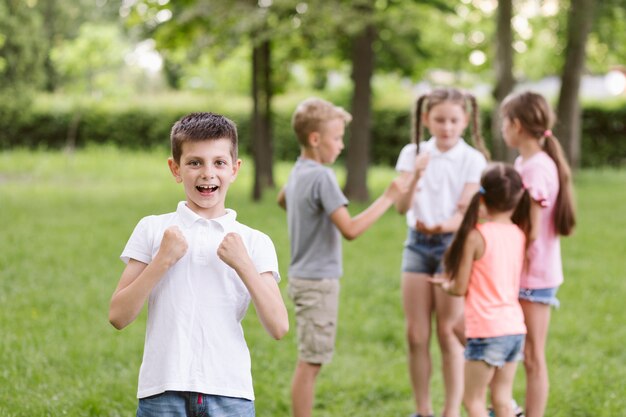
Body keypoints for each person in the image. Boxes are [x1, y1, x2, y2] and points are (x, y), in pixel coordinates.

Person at [109, 112, 289, 417]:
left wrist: (243, 264)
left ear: (235, 169)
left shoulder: (254, 242)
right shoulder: (153, 230)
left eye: (219, 162)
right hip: (162, 391)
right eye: (195, 163)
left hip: (230, 393)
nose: (207, 173)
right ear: (175, 168)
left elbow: (279, 326)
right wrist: (162, 260)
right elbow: (118, 316)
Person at [277, 97, 407, 417]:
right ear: (315, 139)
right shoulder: (322, 177)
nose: (342, 144)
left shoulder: (299, 170)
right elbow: (350, 229)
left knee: (311, 358)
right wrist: (388, 197)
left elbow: (283, 199)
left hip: (302, 277)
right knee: (311, 362)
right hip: (318, 281)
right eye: (337, 138)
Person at [395, 87, 490, 417]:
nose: (446, 127)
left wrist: (439, 227)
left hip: (453, 247)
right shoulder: (412, 153)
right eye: (439, 120)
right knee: (416, 334)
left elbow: (464, 214)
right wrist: (418, 172)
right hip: (417, 246)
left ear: (465, 120)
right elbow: (401, 206)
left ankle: (451, 411)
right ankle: (423, 411)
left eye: (453, 120)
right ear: (426, 120)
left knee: (449, 332)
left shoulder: (472, 159)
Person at [431, 163, 531, 417]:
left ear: (483, 196)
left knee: (473, 402)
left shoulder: (477, 237)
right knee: (502, 399)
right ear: (518, 198)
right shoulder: (518, 234)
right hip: (514, 328)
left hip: (487, 329)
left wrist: (445, 284)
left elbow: (460, 287)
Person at [499, 91, 576, 417]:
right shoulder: (525, 163)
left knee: (532, 355)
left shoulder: (537, 169)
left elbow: (530, 230)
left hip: (533, 275)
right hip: (524, 274)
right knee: (514, 349)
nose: (503, 128)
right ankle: (506, 406)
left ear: (516, 125)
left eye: (504, 121)